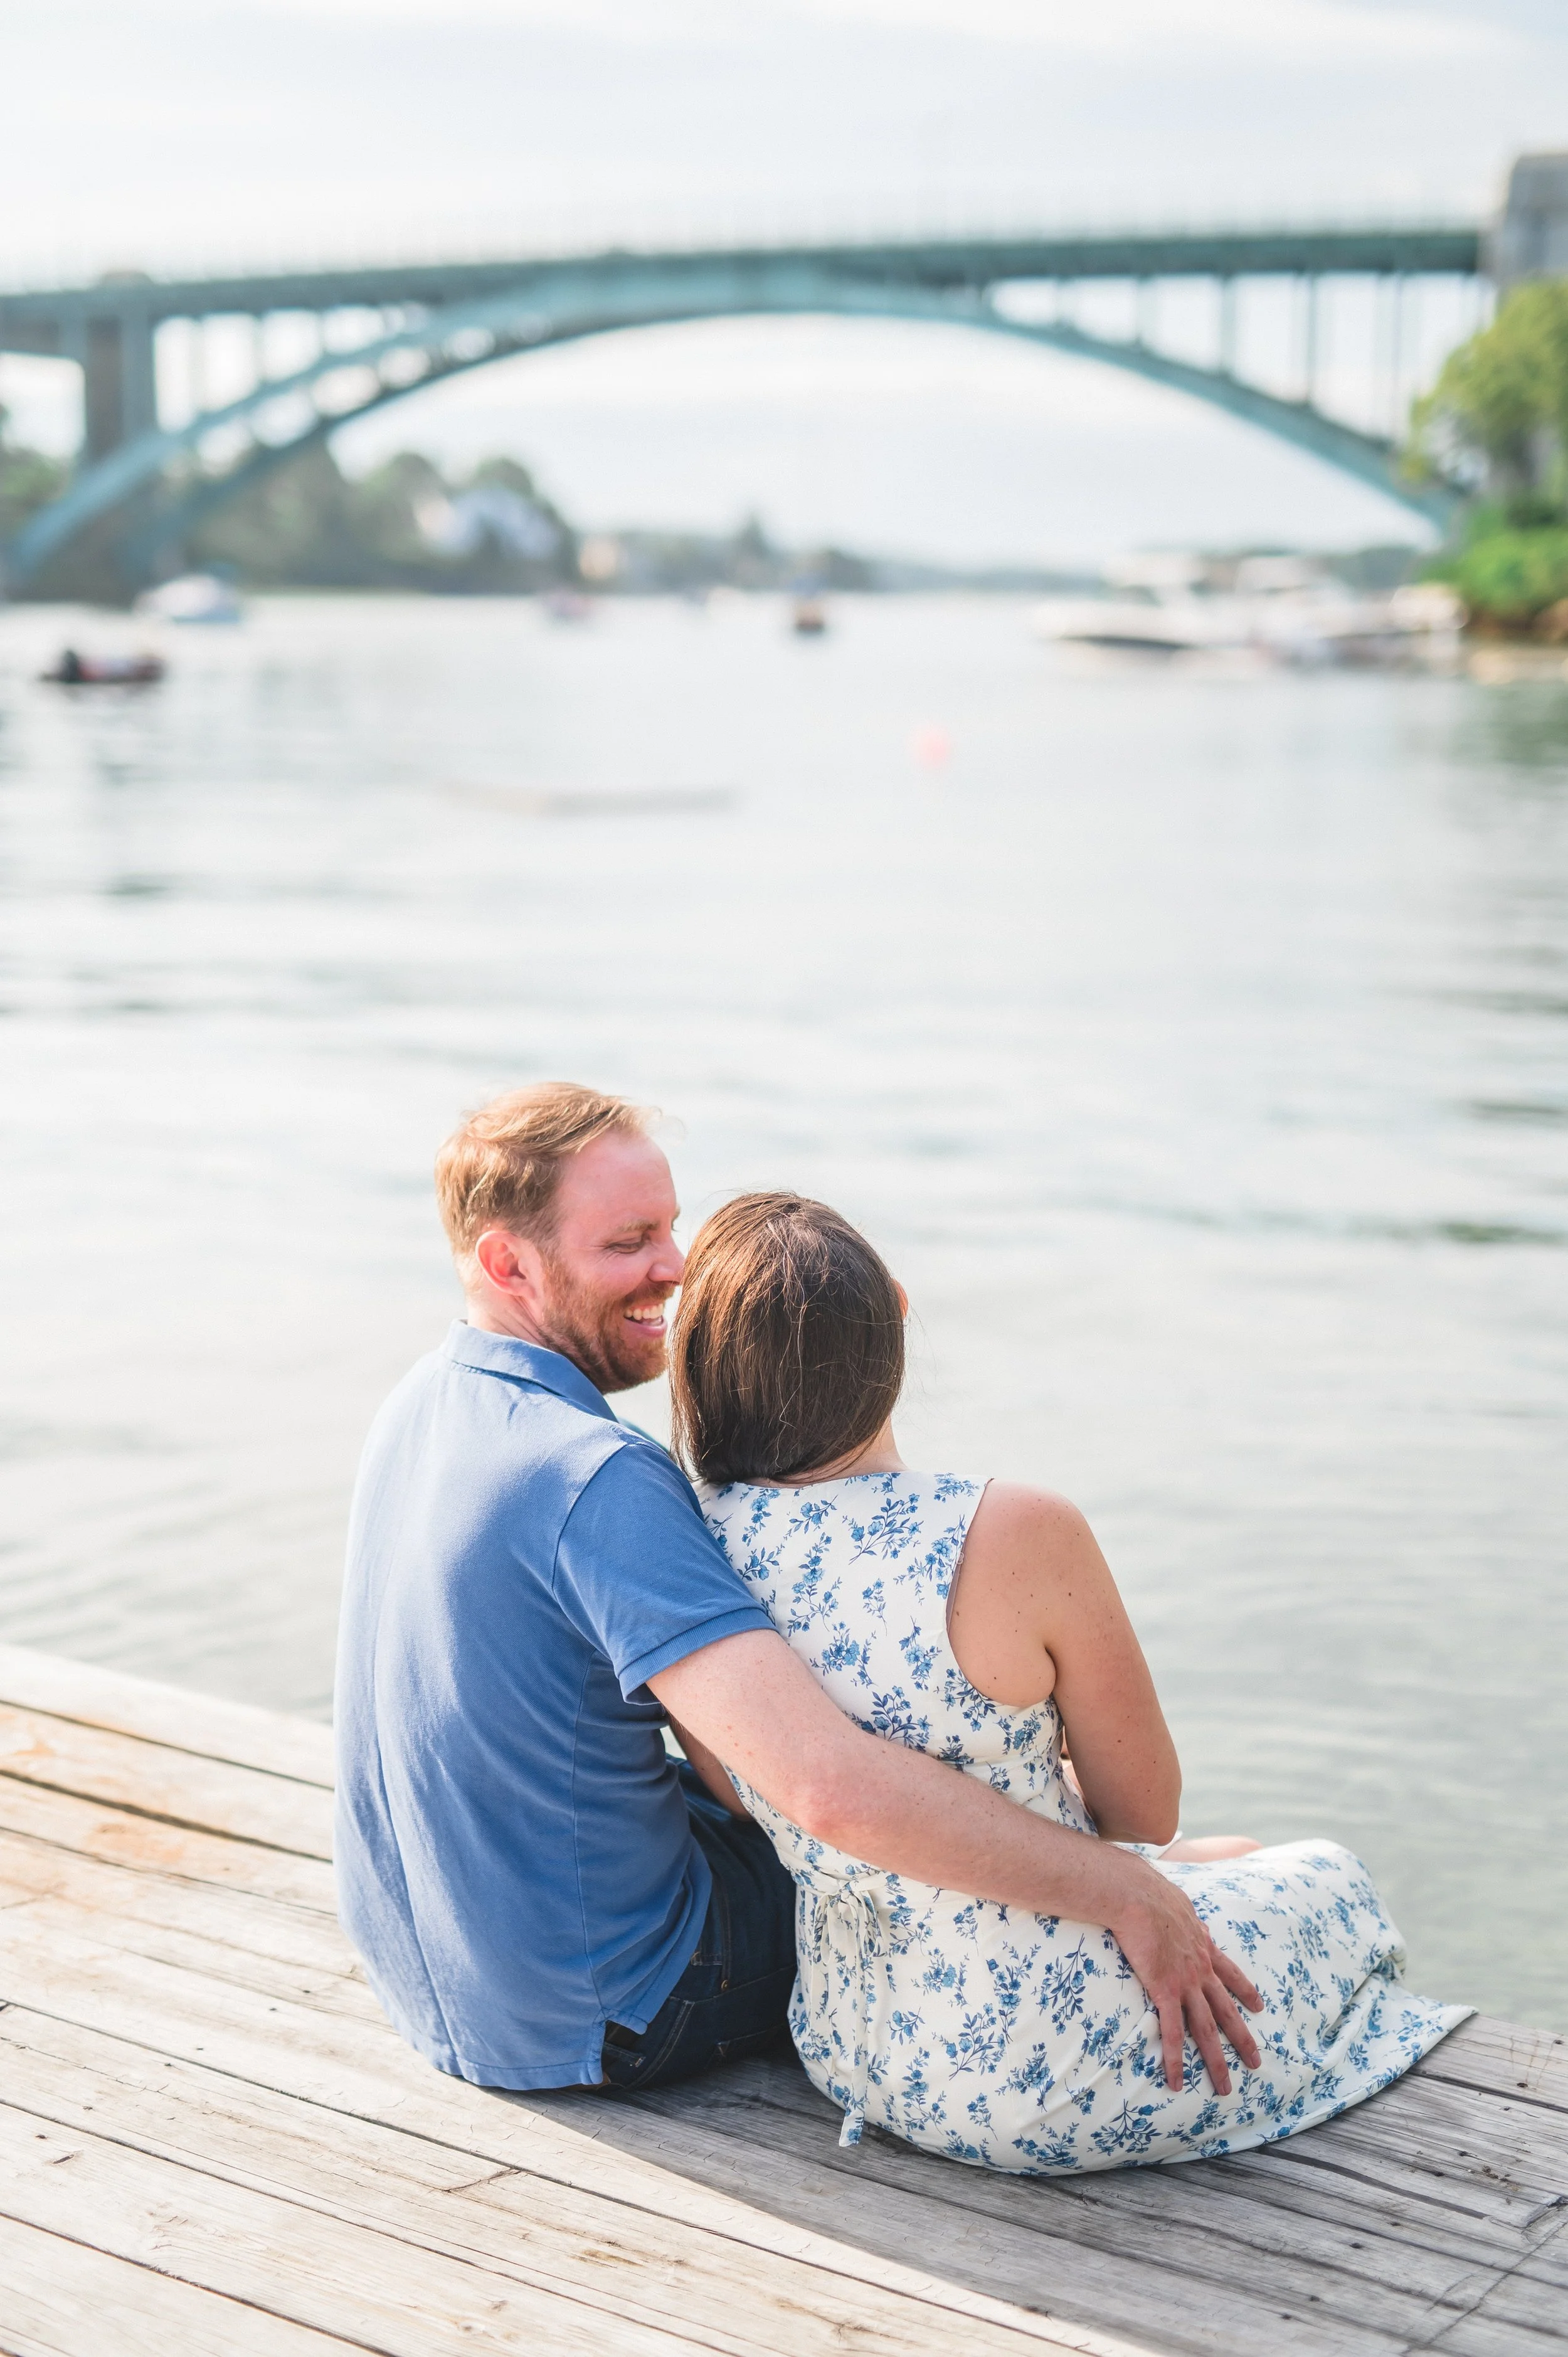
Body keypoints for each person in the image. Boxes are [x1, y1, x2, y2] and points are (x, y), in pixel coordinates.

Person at [336, 1083, 1264, 2102]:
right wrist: (1126, 1887)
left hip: (440, 1978)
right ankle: (1169, 1870)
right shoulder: (596, 1477)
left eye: (673, 1228)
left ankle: (1151, 1855)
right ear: (509, 1264)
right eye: (629, 1241)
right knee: (889, 1838)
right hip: (614, 2005)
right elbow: (820, 1791)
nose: (676, 1268)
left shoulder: (426, 1403)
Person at [667, 1191, 1469, 2171]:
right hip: (1051, 2076)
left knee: (1237, 1853)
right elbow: (1144, 1808)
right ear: (899, 1320)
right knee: (1332, 1877)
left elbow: (741, 1797)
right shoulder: (1010, 1530)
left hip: (859, 2053)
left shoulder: (689, 1546)